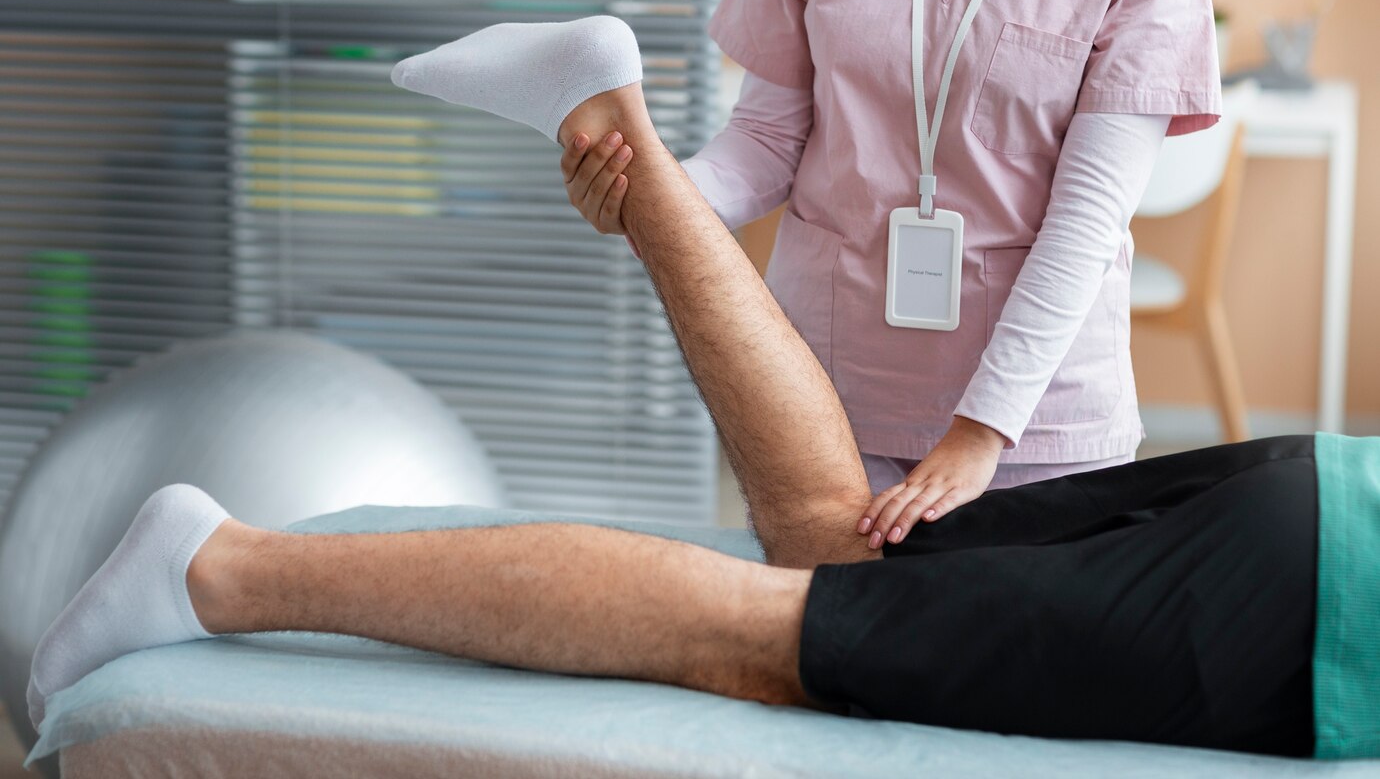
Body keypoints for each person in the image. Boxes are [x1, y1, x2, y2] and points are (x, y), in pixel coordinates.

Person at [26, 59, 1378, 760]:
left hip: (1328, 502)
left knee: (847, 563)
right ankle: (221, 569)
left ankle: (601, 94)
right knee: (770, 639)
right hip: (1319, 611)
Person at [558, 0, 1225, 526]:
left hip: (1033, 421)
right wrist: (653, 203)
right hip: (827, 398)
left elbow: (1087, 220)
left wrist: (981, 430)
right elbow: (765, 141)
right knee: (828, 625)